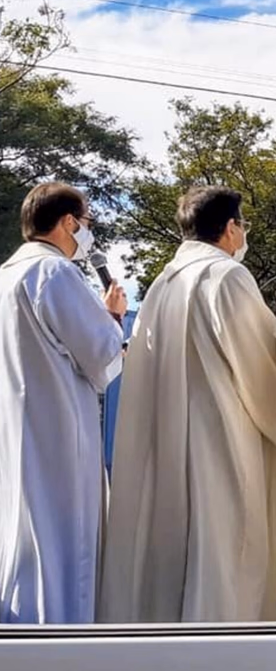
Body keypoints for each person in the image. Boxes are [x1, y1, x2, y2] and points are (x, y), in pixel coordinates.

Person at [99, 187, 276, 623]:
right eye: (243, 225)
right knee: (221, 553)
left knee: (170, 561)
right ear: (230, 228)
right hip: (217, 442)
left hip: (160, 448)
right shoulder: (226, 276)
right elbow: (261, 367)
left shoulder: (162, 284)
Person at [0, 183, 126, 623]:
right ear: (69, 222)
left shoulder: (6, 275)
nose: (87, 233)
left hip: (17, 431)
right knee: (64, 544)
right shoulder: (54, 274)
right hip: (59, 433)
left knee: (23, 541)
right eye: (86, 223)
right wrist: (112, 318)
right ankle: (62, 644)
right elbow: (102, 355)